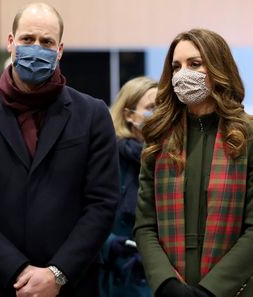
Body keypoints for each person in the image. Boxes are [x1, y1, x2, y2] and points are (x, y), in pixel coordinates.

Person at [0, 2, 120, 297]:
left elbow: (103, 203)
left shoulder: (93, 115)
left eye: (46, 42)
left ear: (60, 50)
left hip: (71, 284)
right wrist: (18, 270)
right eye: (27, 39)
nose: (36, 48)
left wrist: (58, 273)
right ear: (11, 42)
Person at [134, 28, 253, 297]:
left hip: (234, 290)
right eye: (176, 66)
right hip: (170, 289)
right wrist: (166, 284)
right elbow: (145, 225)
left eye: (195, 64)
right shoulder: (158, 138)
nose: (182, 74)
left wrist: (209, 292)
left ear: (218, 68)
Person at [100, 77, 156, 297]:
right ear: (129, 115)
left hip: (153, 279)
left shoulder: (172, 160)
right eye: (151, 107)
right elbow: (81, 213)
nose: (159, 113)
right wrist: (111, 244)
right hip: (111, 276)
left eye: (164, 106)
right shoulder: (106, 157)